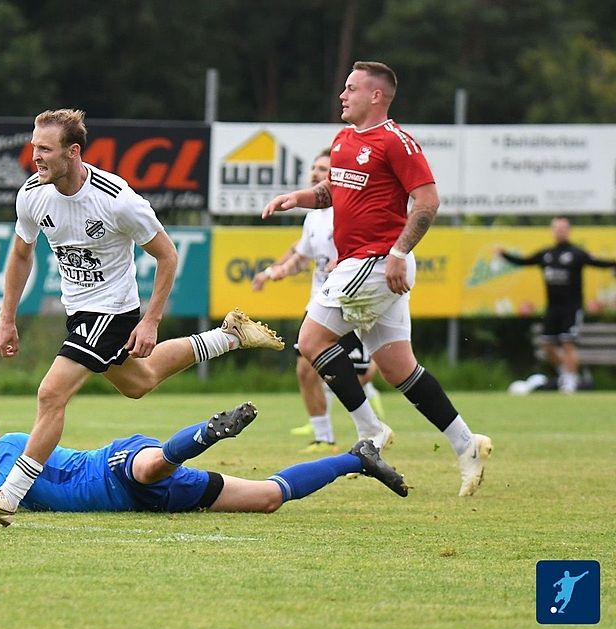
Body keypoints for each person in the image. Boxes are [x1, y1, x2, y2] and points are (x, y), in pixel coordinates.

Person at [0, 108, 284, 525]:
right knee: (141, 381)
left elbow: (167, 256)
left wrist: (150, 320)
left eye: (44, 149)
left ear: (73, 151)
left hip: (112, 312)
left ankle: (9, 496)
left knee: (51, 393)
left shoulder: (117, 199)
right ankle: (230, 337)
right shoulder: (32, 193)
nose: (35, 157)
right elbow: (21, 254)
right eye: (33, 146)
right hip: (79, 311)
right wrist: (6, 318)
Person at [261, 61, 493, 496]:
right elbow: (334, 191)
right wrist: (298, 198)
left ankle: (372, 431)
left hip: (376, 262)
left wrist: (400, 253)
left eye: (351, 88)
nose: (342, 95)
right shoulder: (344, 139)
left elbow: (428, 202)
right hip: (364, 263)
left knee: (311, 342)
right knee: (396, 368)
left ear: (376, 96)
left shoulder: (397, 142)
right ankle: (467, 444)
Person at [0, 402, 408, 526]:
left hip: (112, 466)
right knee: (268, 498)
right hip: (154, 502)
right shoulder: (6, 476)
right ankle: (357, 458)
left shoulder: (8, 448)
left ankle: (207, 432)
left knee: (150, 467)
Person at [252, 147, 385, 453]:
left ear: (337, 176)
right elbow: (301, 257)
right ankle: (323, 437)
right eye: (313, 168)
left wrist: (347, 261)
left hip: (353, 300)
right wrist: (273, 272)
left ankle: (372, 418)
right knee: (304, 367)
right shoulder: (314, 216)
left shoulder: (350, 212)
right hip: (321, 301)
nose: (315, 173)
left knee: (363, 372)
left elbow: (373, 244)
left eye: (323, 169)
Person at [497, 217, 616, 394]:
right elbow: (525, 261)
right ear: (553, 230)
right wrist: (503, 255)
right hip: (553, 308)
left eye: (563, 228)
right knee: (547, 345)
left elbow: (599, 263)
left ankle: (571, 381)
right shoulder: (546, 254)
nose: (560, 231)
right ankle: (564, 374)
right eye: (557, 228)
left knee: (568, 342)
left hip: (572, 307)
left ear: (568, 230)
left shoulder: (577, 254)